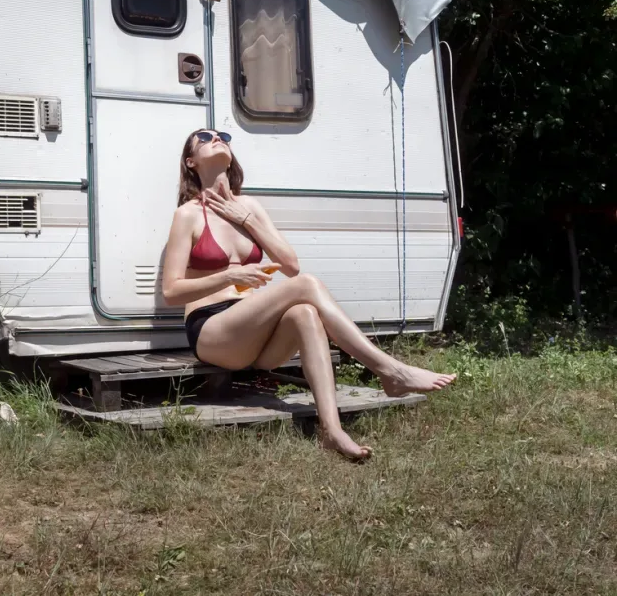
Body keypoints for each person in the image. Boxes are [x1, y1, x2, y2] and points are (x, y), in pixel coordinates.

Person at [162, 129, 456, 460]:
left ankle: (332, 430)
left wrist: (248, 221)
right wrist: (230, 275)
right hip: (213, 330)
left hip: (257, 334)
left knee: (305, 313)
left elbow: (290, 265)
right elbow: (171, 291)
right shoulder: (187, 214)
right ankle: (390, 371)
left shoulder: (249, 207)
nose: (217, 138)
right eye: (205, 137)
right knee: (306, 286)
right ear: (191, 162)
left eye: (223, 136)